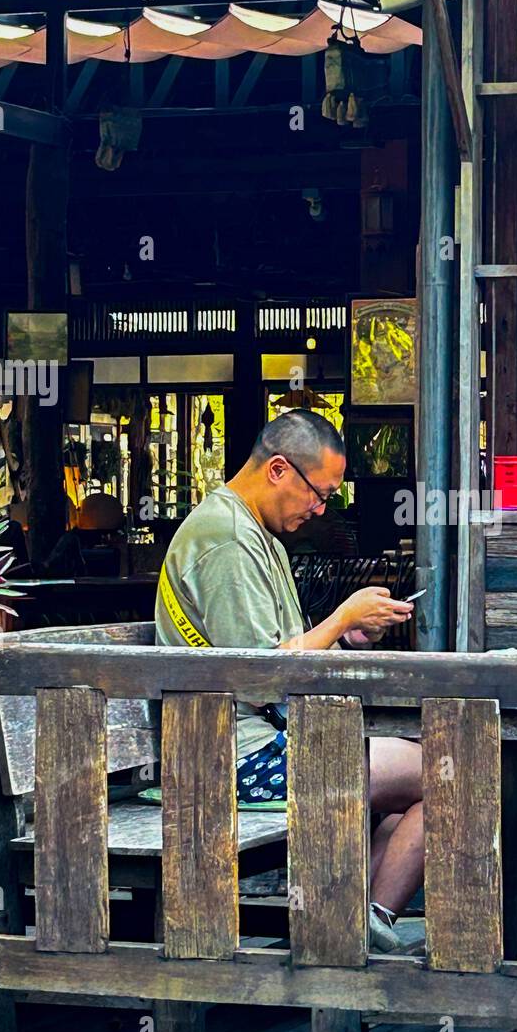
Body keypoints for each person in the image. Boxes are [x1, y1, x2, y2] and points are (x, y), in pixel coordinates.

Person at [155, 408, 423, 954]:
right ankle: (363, 923)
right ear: (278, 469)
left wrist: (347, 637)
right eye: (318, 494)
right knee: (449, 772)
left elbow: (285, 650)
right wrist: (341, 618)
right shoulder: (227, 539)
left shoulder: (257, 532)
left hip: (268, 742)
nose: (321, 510)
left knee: (430, 777)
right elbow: (259, 679)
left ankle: (354, 922)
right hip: (231, 759)